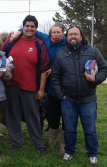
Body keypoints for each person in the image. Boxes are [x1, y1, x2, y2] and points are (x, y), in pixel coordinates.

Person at [51, 26, 107, 166]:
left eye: (75, 34)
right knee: (70, 129)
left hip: (88, 99)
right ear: (66, 37)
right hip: (68, 100)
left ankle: (92, 154)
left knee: (90, 130)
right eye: (70, 34)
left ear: (81, 36)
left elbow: (104, 69)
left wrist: (95, 79)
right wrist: (60, 95)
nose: (73, 37)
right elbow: (55, 76)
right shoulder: (61, 54)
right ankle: (69, 151)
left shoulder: (93, 51)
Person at [10, 23, 66, 154]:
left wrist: (57, 69)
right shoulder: (46, 39)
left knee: (66, 114)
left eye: (59, 32)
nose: (56, 34)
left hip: (64, 82)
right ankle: (52, 140)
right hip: (49, 83)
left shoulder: (67, 43)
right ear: (50, 33)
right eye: (54, 32)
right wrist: (18, 32)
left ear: (63, 33)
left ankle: (64, 142)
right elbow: (29, 29)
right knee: (53, 113)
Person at [2, 15, 50, 155]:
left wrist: (41, 89)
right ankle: (16, 141)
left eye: (32, 26)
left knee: (33, 116)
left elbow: (43, 69)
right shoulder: (11, 41)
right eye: (27, 26)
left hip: (30, 87)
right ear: (22, 27)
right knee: (12, 115)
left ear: (36, 28)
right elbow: (1, 58)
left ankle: (38, 143)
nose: (29, 28)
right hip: (11, 85)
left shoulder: (39, 45)